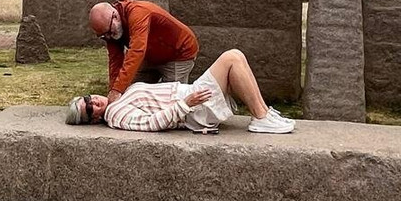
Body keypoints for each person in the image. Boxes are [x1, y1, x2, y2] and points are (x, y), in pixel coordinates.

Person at [65, 48, 295, 134]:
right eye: (89, 109)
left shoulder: (118, 102)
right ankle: (261, 118)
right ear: (94, 120)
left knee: (237, 58)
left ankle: (263, 113)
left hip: (192, 98)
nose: (93, 102)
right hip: (193, 108)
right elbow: (151, 124)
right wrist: (186, 103)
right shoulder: (116, 115)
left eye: (87, 98)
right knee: (231, 57)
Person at [89, 0, 199, 103]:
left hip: (179, 53)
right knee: (130, 92)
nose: (108, 37)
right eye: (103, 36)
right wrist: (113, 91)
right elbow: (115, 62)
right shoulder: (109, 30)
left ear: (115, 16)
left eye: (109, 32)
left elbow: (137, 51)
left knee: (171, 98)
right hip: (150, 55)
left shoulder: (138, 12)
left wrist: (117, 90)